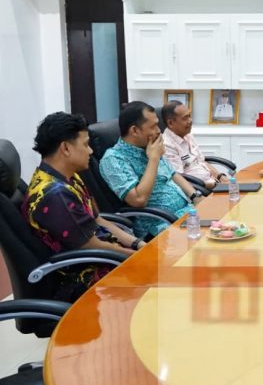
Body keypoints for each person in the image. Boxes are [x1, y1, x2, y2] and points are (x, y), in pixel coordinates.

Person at [23, 112, 139, 302]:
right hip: (83, 278)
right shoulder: (55, 195)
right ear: (66, 148)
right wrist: (137, 257)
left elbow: (97, 219)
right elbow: (91, 245)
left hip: (102, 257)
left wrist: (138, 245)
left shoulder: (69, 176)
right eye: (85, 144)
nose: (91, 151)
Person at [100, 101, 202, 239]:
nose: (159, 130)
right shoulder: (113, 159)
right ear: (134, 130)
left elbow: (173, 174)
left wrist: (196, 197)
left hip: (188, 213)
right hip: (161, 226)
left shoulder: (149, 146)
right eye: (153, 126)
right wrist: (153, 159)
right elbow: (138, 200)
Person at [162, 101, 229, 190]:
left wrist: (220, 177)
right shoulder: (167, 145)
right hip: (199, 190)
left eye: (190, 115)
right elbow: (178, 180)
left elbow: (201, 161)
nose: (190, 121)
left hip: (212, 182)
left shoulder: (186, 134)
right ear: (170, 123)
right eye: (185, 118)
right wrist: (209, 185)